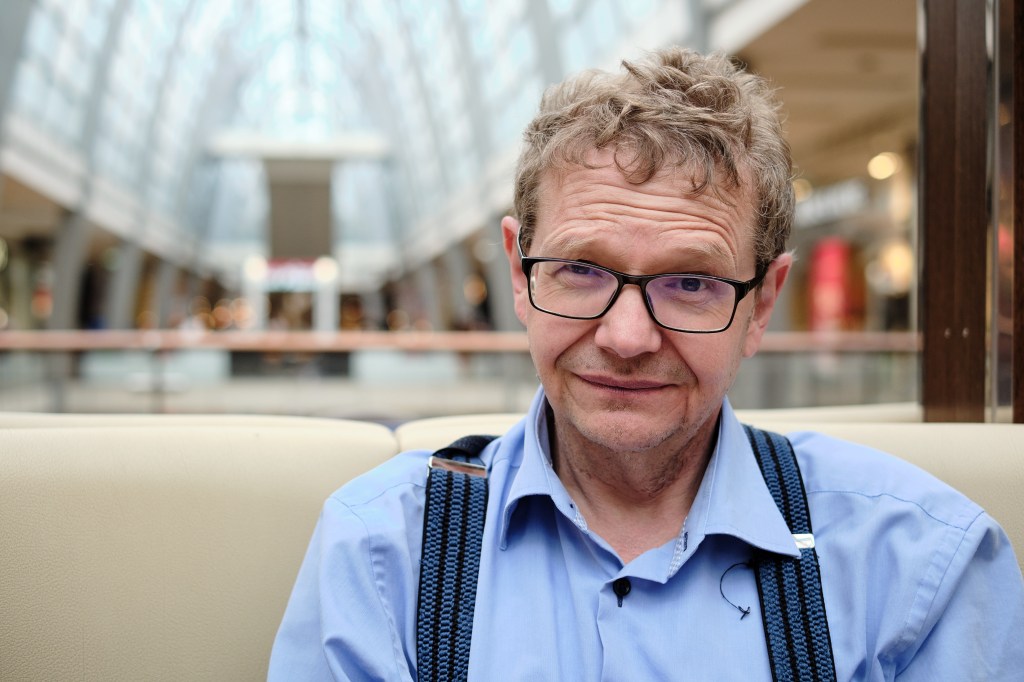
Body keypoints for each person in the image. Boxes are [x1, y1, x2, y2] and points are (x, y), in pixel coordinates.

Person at [269, 47, 1023, 680]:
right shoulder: (384, 555)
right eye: (580, 269)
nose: (627, 337)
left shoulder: (920, 568)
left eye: (690, 282)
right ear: (519, 275)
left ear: (762, 303)